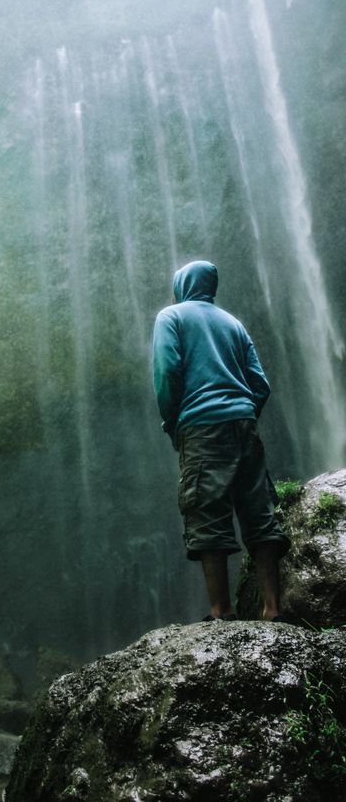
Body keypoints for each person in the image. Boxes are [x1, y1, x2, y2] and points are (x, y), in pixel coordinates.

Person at [152, 259, 290, 622]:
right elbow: (261, 385)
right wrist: (242, 412)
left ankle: (222, 611)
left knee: (206, 509)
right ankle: (272, 608)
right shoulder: (234, 323)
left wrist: (174, 422)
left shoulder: (172, 317)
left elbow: (166, 372)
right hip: (244, 423)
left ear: (182, 284)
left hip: (201, 425)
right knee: (258, 510)